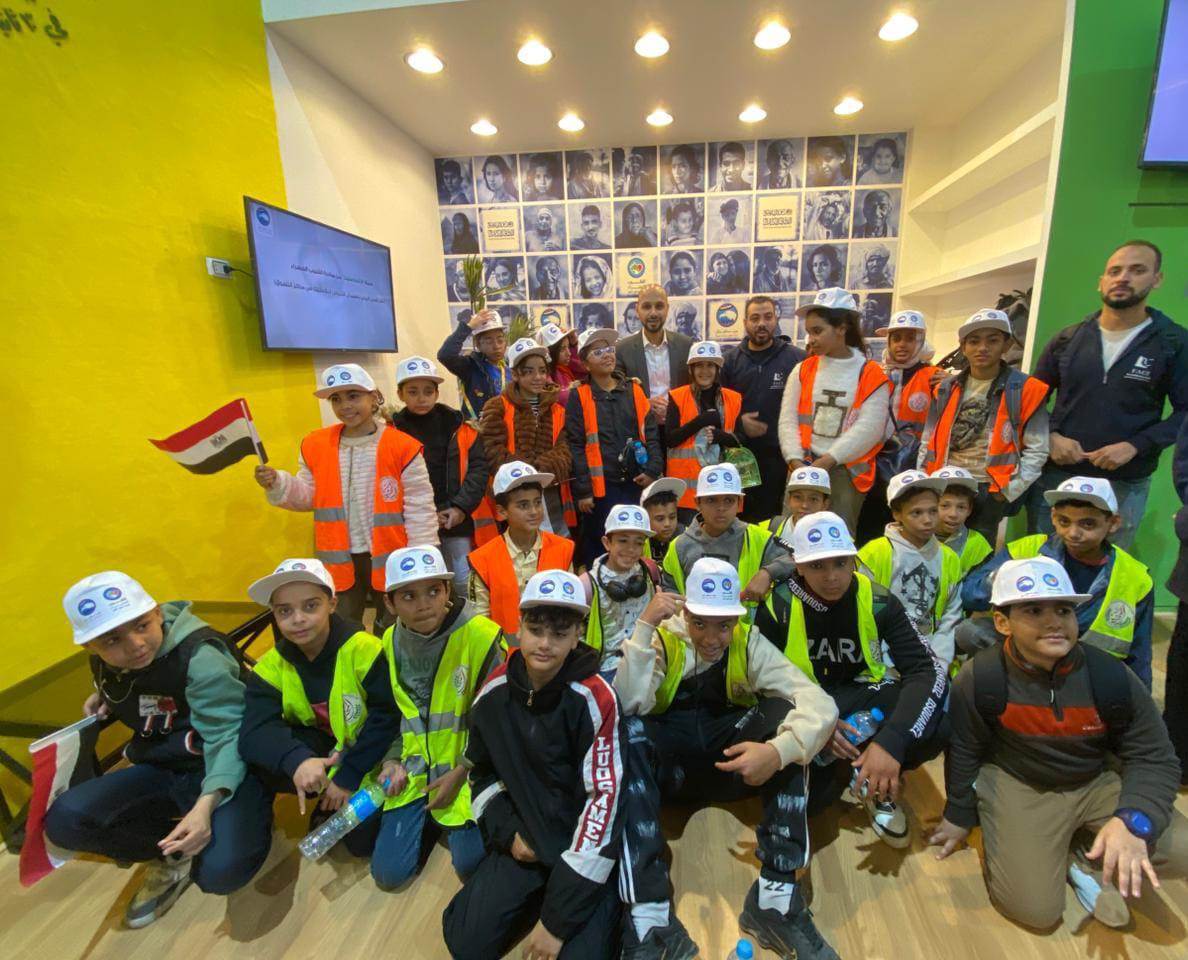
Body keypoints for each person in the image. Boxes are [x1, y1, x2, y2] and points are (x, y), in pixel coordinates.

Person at [929, 556, 1187, 932]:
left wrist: (1134, 820)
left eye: (1063, 610)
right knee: (1036, 911)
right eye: (1034, 610)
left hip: (1096, 780)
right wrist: (958, 814)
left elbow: (1155, 756)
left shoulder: (1110, 675)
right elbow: (964, 748)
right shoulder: (981, 677)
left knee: (1181, 851)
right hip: (1021, 783)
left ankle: (1084, 854)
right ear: (1002, 622)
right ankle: (1059, 851)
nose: (1054, 622)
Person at [614, 558, 840, 960]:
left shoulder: (748, 641)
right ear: (686, 614)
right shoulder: (663, 639)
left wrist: (777, 752)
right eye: (700, 623)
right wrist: (644, 627)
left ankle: (775, 897)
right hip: (672, 772)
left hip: (734, 767)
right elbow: (628, 702)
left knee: (788, 717)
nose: (712, 637)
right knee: (628, 731)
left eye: (723, 625)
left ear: (736, 620)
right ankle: (649, 915)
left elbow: (819, 703)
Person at [48, 572, 268, 928]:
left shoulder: (201, 657)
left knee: (221, 874)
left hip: (227, 765)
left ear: (158, 612)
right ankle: (169, 853)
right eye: (111, 640)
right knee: (65, 820)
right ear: (91, 647)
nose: (135, 645)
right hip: (163, 766)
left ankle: (231, 820)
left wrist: (206, 805)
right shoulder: (107, 663)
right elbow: (139, 686)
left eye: (142, 625)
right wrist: (107, 696)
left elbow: (228, 736)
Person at [442, 570, 625, 960]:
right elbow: (482, 772)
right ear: (519, 627)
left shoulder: (597, 700)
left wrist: (555, 923)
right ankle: (538, 893)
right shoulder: (493, 693)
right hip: (527, 838)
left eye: (559, 633)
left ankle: (576, 898)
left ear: (577, 635)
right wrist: (508, 832)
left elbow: (605, 803)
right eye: (535, 629)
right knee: (464, 942)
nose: (544, 643)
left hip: (581, 848)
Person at [756, 513, 950, 847]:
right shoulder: (778, 604)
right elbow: (760, 686)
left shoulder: (878, 599)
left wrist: (891, 742)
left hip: (861, 694)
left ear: (854, 560)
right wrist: (815, 725)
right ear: (798, 566)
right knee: (813, 804)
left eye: (841, 563)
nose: (832, 576)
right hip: (803, 705)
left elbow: (926, 670)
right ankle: (851, 764)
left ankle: (875, 775)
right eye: (817, 566)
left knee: (938, 724)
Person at [237, 559, 399, 877]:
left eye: (310, 606)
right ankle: (260, 829)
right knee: (257, 760)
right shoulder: (271, 666)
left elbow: (387, 717)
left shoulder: (364, 649)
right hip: (319, 750)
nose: (298, 619)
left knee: (361, 843)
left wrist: (348, 776)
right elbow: (254, 731)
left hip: (369, 753)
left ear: (332, 604)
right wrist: (296, 760)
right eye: (284, 611)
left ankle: (336, 798)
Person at [1027, 240, 1185, 550]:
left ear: (1157, 279)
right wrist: (1050, 436)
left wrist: (1135, 446)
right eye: (1115, 271)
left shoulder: (1173, 343)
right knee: (1043, 565)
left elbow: (1185, 413)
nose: (1123, 278)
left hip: (1123, 484)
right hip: (1057, 479)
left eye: (1137, 270)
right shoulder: (1067, 339)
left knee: (1105, 569)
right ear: (1101, 281)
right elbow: (1029, 401)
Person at [254, 363, 437, 626]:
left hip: (393, 555)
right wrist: (278, 483)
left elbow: (420, 505)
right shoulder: (316, 444)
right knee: (342, 624)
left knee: (393, 624)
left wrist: (422, 553)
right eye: (336, 399)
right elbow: (309, 497)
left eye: (353, 396)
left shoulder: (402, 446)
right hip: (339, 557)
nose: (345, 406)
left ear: (374, 397)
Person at [372, 546, 505, 889]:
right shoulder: (389, 641)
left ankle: (440, 819)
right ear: (389, 603)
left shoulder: (481, 636)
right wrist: (391, 761)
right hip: (414, 769)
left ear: (448, 590)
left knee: (472, 865)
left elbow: (499, 721)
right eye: (409, 596)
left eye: (433, 591)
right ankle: (427, 818)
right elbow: (394, 713)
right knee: (388, 876)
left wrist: (462, 771)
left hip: (468, 769)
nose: (424, 604)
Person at [959, 476, 1154, 690]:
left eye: (1088, 524)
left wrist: (1140, 698)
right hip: (1027, 653)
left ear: (1113, 523)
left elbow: (1140, 655)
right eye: (1064, 521)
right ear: (1053, 517)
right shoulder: (1027, 549)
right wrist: (1003, 576)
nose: (1073, 533)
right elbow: (970, 595)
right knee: (971, 631)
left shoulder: (1135, 576)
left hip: (1088, 670)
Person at [918, 309, 1050, 543]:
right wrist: (923, 481)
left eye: (992, 340)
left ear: (1006, 344)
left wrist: (1008, 491)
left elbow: (1038, 449)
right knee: (934, 549)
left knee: (979, 551)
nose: (982, 348)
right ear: (963, 347)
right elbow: (928, 440)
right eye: (974, 341)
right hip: (945, 482)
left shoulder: (1027, 390)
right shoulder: (946, 388)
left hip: (989, 489)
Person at [778, 289, 891, 532]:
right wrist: (795, 460)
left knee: (836, 537)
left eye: (817, 331)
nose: (810, 339)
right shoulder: (802, 370)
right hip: (803, 464)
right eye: (809, 332)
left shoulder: (871, 374)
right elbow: (787, 420)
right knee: (790, 535)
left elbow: (869, 428)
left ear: (841, 327)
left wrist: (829, 460)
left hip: (846, 472)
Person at [567, 326, 664, 569]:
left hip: (635, 484)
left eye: (609, 349)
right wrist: (583, 491)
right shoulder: (580, 396)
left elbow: (651, 433)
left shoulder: (634, 390)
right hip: (601, 490)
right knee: (600, 546)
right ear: (585, 363)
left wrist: (653, 469)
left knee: (633, 543)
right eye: (598, 352)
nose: (607, 355)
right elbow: (575, 445)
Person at [391, 357, 491, 588]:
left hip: (455, 518)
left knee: (463, 579)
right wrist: (422, 515)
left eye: (428, 391)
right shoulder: (391, 431)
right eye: (413, 392)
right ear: (400, 394)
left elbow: (478, 470)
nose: (421, 398)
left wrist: (460, 508)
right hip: (413, 522)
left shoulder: (460, 426)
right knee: (427, 580)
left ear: (437, 393)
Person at [857, 471, 963, 672]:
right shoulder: (874, 553)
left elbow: (951, 615)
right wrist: (883, 664)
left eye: (933, 511)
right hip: (883, 654)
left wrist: (939, 662)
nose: (928, 520)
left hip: (929, 650)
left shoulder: (949, 557)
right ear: (897, 514)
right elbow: (863, 614)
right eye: (916, 513)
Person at [855, 309, 939, 543]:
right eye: (897, 338)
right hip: (871, 467)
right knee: (868, 528)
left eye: (910, 338)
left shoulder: (935, 377)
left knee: (905, 528)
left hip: (913, 466)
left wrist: (952, 384)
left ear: (920, 342)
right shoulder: (874, 374)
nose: (902, 344)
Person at [722, 296, 807, 522]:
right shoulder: (729, 362)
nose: (761, 323)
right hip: (740, 458)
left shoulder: (797, 359)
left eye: (768, 317)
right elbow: (717, 409)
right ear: (745, 322)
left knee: (776, 522)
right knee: (740, 521)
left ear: (776, 319)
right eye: (755, 318)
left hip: (781, 459)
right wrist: (739, 423)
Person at [662, 463, 795, 608]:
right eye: (711, 500)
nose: (721, 508)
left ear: (739, 503)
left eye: (728, 500)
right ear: (698, 503)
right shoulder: (679, 545)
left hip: (745, 623)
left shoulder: (759, 538)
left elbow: (797, 559)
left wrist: (768, 573)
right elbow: (670, 590)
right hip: (692, 622)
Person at [467, 461, 575, 638]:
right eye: (523, 505)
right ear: (502, 512)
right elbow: (479, 621)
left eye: (537, 502)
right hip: (503, 653)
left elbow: (570, 608)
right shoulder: (482, 559)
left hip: (552, 650)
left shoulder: (563, 548)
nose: (534, 511)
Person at [479, 337, 574, 537]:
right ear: (515, 374)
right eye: (529, 372)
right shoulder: (497, 406)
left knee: (554, 541)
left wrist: (540, 471)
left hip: (550, 493)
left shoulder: (557, 410)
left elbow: (565, 449)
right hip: (510, 493)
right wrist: (523, 474)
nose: (537, 377)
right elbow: (492, 448)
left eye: (542, 371)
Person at [579, 505, 662, 673]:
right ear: (607, 543)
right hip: (605, 666)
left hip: (646, 656)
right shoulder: (587, 584)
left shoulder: (650, 572)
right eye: (623, 541)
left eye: (638, 543)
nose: (631, 549)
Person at [664, 340, 741, 519]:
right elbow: (670, 439)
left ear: (717, 369)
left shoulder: (734, 399)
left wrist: (721, 437)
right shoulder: (677, 396)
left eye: (710, 365)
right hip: (687, 493)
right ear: (691, 369)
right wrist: (700, 421)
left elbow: (741, 440)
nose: (705, 371)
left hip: (723, 487)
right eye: (699, 365)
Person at [615, 284, 694, 422]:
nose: (653, 313)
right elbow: (617, 396)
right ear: (637, 310)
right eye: (646, 307)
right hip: (640, 427)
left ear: (667, 309)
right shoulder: (622, 349)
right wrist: (644, 404)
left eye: (659, 306)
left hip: (679, 426)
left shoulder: (686, 345)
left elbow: (694, 390)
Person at [438, 307, 512, 421]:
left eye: (500, 340)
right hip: (476, 428)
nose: (496, 346)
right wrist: (468, 327)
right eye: (489, 341)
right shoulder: (470, 367)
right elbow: (445, 355)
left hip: (504, 427)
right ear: (478, 344)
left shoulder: (511, 370)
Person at [933, 465, 993, 575]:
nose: (953, 514)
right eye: (945, 506)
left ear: (969, 510)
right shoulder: (913, 539)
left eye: (961, 507)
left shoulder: (978, 545)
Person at [768, 466, 833, 541]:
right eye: (798, 497)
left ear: (825, 505)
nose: (804, 505)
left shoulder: (836, 537)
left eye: (813, 499)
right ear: (789, 500)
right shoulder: (766, 528)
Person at [537, 321, 585, 408]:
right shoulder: (544, 375)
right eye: (562, 349)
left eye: (568, 347)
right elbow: (553, 396)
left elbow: (584, 369)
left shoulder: (564, 369)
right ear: (550, 352)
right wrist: (572, 391)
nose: (569, 353)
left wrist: (574, 345)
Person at [640, 476, 687, 564]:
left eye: (672, 517)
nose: (667, 524)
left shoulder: (687, 537)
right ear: (646, 518)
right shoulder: (639, 542)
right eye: (660, 519)